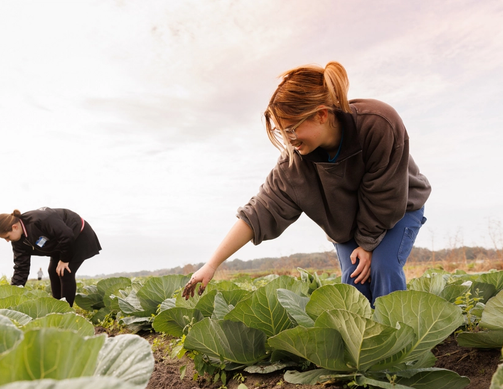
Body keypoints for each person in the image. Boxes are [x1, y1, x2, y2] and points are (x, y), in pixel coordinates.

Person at [182, 61, 431, 307]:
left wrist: (367, 244)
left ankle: (398, 340)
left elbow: (386, 192)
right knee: (355, 280)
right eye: (282, 133)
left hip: (396, 210)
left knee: (383, 267)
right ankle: (363, 345)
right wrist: (212, 264)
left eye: (291, 130)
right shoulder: (294, 164)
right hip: (346, 226)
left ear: (321, 114)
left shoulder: (377, 123)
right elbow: (259, 212)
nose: (289, 141)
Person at [0, 207, 101, 306]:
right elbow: (21, 268)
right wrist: (12, 295)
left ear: (14, 227)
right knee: (53, 271)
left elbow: (66, 235)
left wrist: (64, 259)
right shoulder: (18, 241)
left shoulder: (40, 219)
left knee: (65, 272)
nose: (7, 240)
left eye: (7, 237)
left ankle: (66, 311)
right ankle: (57, 308)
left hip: (77, 236)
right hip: (59, 244)